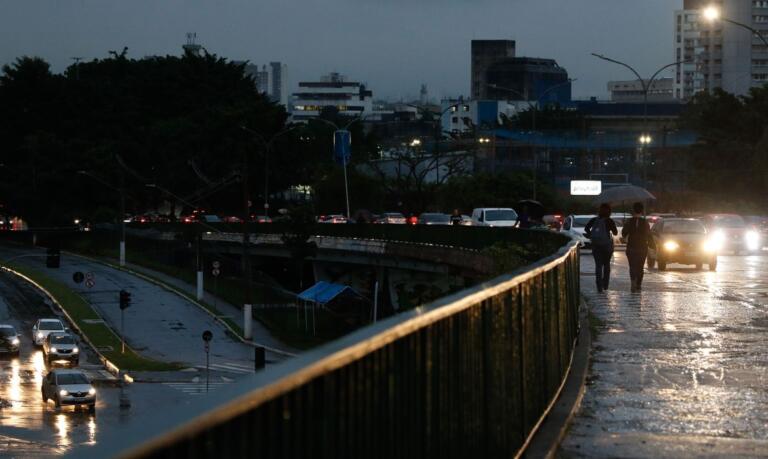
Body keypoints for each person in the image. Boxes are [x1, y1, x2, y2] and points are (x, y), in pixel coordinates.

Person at [621, 202, 655, 293]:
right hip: (642, 247)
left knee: (632, 266)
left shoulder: (629, 221)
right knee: (640, 267)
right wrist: (653, 245)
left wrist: (625, 227)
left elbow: (624, 234)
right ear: (642, 210)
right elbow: (649, 235)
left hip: (631, 246)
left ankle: (633, 282)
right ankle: (639, 284)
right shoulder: (645, 222)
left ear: (633, 210)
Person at [584, 203, 618, 293]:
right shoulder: (610, 221)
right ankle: (605, 285)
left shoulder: (594, 220)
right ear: (609, 211)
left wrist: (591, 234)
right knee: (606, 265)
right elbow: (615, 233)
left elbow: (586, 228)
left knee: (598, 265)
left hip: (596, 246)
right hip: (607, 246)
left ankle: (599, 286)